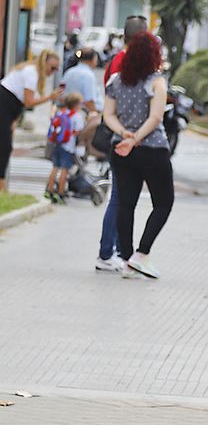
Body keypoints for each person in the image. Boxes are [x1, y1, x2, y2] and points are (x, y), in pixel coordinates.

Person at [102, 31, 172, 279]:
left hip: (120, 149)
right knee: (163, 202)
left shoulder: (116, 81)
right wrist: (137, 138)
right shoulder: (157, 82)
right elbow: (156, 118)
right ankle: (140, 255)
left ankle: (125, 258)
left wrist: (125, 135)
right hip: (152, 149)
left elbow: (108, 115)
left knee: (126, 203)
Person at [0, 49, 64, 196]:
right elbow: (28, 102)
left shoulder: (30, 71)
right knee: (4, 148)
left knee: (5, 147)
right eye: (52, 68)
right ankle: (2, 188)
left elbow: (20, 101)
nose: (52, 72)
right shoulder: (32, 73)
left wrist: (14, 119)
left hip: (8, 109)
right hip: (4, 106)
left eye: (56, 69)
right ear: (45, 63)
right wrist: (50, 97)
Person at [43, 92, 84, 204]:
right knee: (64, 170)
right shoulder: (77, 116)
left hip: (57, 144)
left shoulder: (62, 113)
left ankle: (49, 190)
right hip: (68, 146)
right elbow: (79, 131)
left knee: (55, 167)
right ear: (76, 105)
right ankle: (61, 193)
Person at [62, 48, 104, 156]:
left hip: (68, 111)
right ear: (92, 59)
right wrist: (97, 113)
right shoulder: (88, 75)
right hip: (83, 114)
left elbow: (61, 93)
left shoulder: (69, 72)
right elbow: (89, 101)